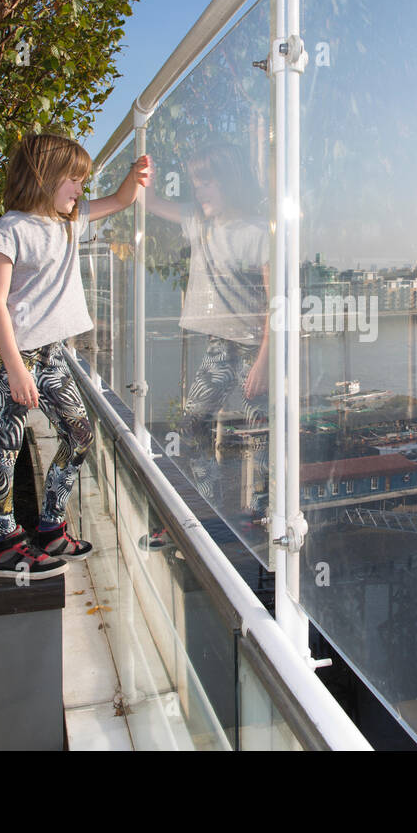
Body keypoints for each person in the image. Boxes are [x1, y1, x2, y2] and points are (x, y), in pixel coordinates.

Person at [0, 131, 151, 578]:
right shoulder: (11, 229)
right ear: (44, 176)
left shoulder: (70, 221)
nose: (80, 189)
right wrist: (16, 370)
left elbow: (120, 200)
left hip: (51, 355)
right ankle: (5, 543)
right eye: (74, 180)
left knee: (79, 433)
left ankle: (51, 527)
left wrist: (136, 176)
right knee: (6, 447)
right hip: (11, 357)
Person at [146, 140, 271, 543]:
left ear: (229, 182)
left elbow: (279, 303)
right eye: (195, 184)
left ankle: (268, 516)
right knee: (191, 425)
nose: (199, 191)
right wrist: (144, 165)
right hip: (220, 348)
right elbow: (150, 203)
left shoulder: (258, 233)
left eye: (206, 183)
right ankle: (208, 511)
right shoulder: (198, 222)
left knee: (264, 434)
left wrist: (265, 362)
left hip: (256, 349)